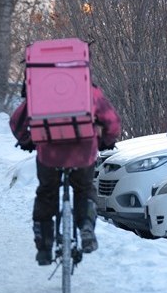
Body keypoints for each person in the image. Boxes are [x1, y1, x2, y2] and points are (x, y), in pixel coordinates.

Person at [9, 82, 121, 266]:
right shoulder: (87, 87)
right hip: (82, 152)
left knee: (46, 193)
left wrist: (27, 140)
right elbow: (112, 121)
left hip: (49, 154)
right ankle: (86, 226)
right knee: (84, 189)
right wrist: (106, 140)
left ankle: (44, 247)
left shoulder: (40, 88)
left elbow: (16, 121)